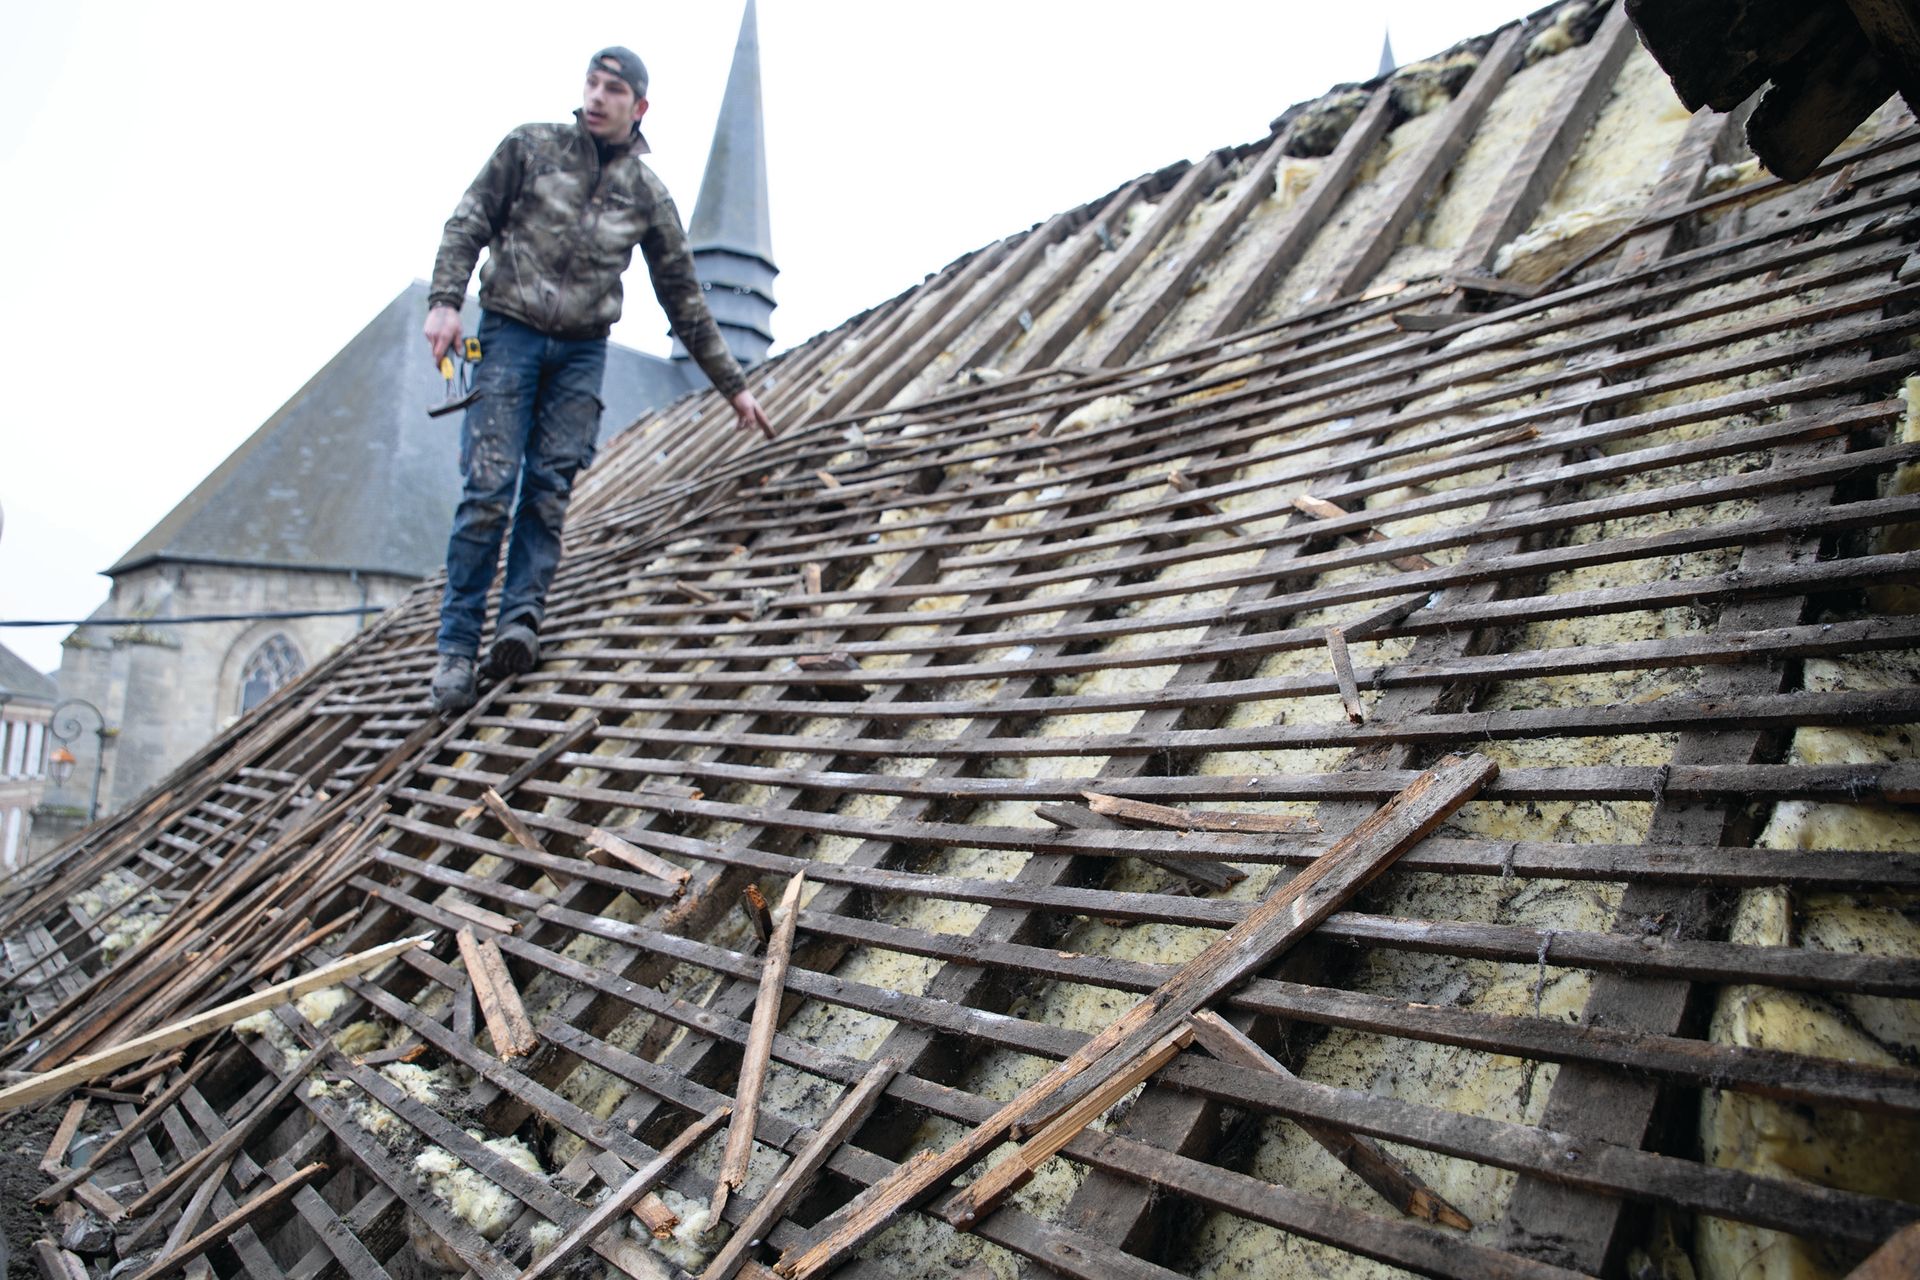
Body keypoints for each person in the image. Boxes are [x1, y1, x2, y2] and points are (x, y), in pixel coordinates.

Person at [423, 46, 774, 714]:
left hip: (581, 352)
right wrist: (445, 300)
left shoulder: (646, 196)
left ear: (638, 107)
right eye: (591, 83)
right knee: (489, 489)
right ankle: (454, 651)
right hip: (509, 333)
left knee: (550, 487)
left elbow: (685, 300)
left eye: (613, 89)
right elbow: (468, 222)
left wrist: (734, 386)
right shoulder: (530, 149)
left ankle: (520, 622)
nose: (596, 96)